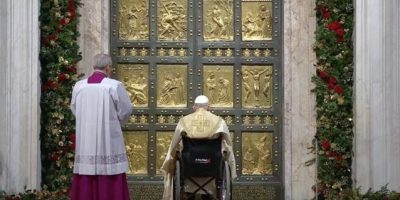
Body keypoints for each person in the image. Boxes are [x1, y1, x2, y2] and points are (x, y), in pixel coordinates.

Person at [70, 53, 133, 200]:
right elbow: (126, 110)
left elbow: (74, 109)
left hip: (86, 140)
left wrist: (86, 122)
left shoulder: (79, 86)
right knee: (109, 172)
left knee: (87, 172)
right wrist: (115, 122)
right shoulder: (114, 86)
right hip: (108, 140)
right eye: (110, 68)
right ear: (107, 67)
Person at [161, 95, 237, 200]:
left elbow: (174, 144)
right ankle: (210, 192)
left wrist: (169, 160)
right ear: (209, 107)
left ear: (194, 107)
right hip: (212, 166)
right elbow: (228, 143)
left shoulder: (184, 121)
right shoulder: (219, 122)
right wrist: (232, 166)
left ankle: (189, 192)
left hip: (189, 166)